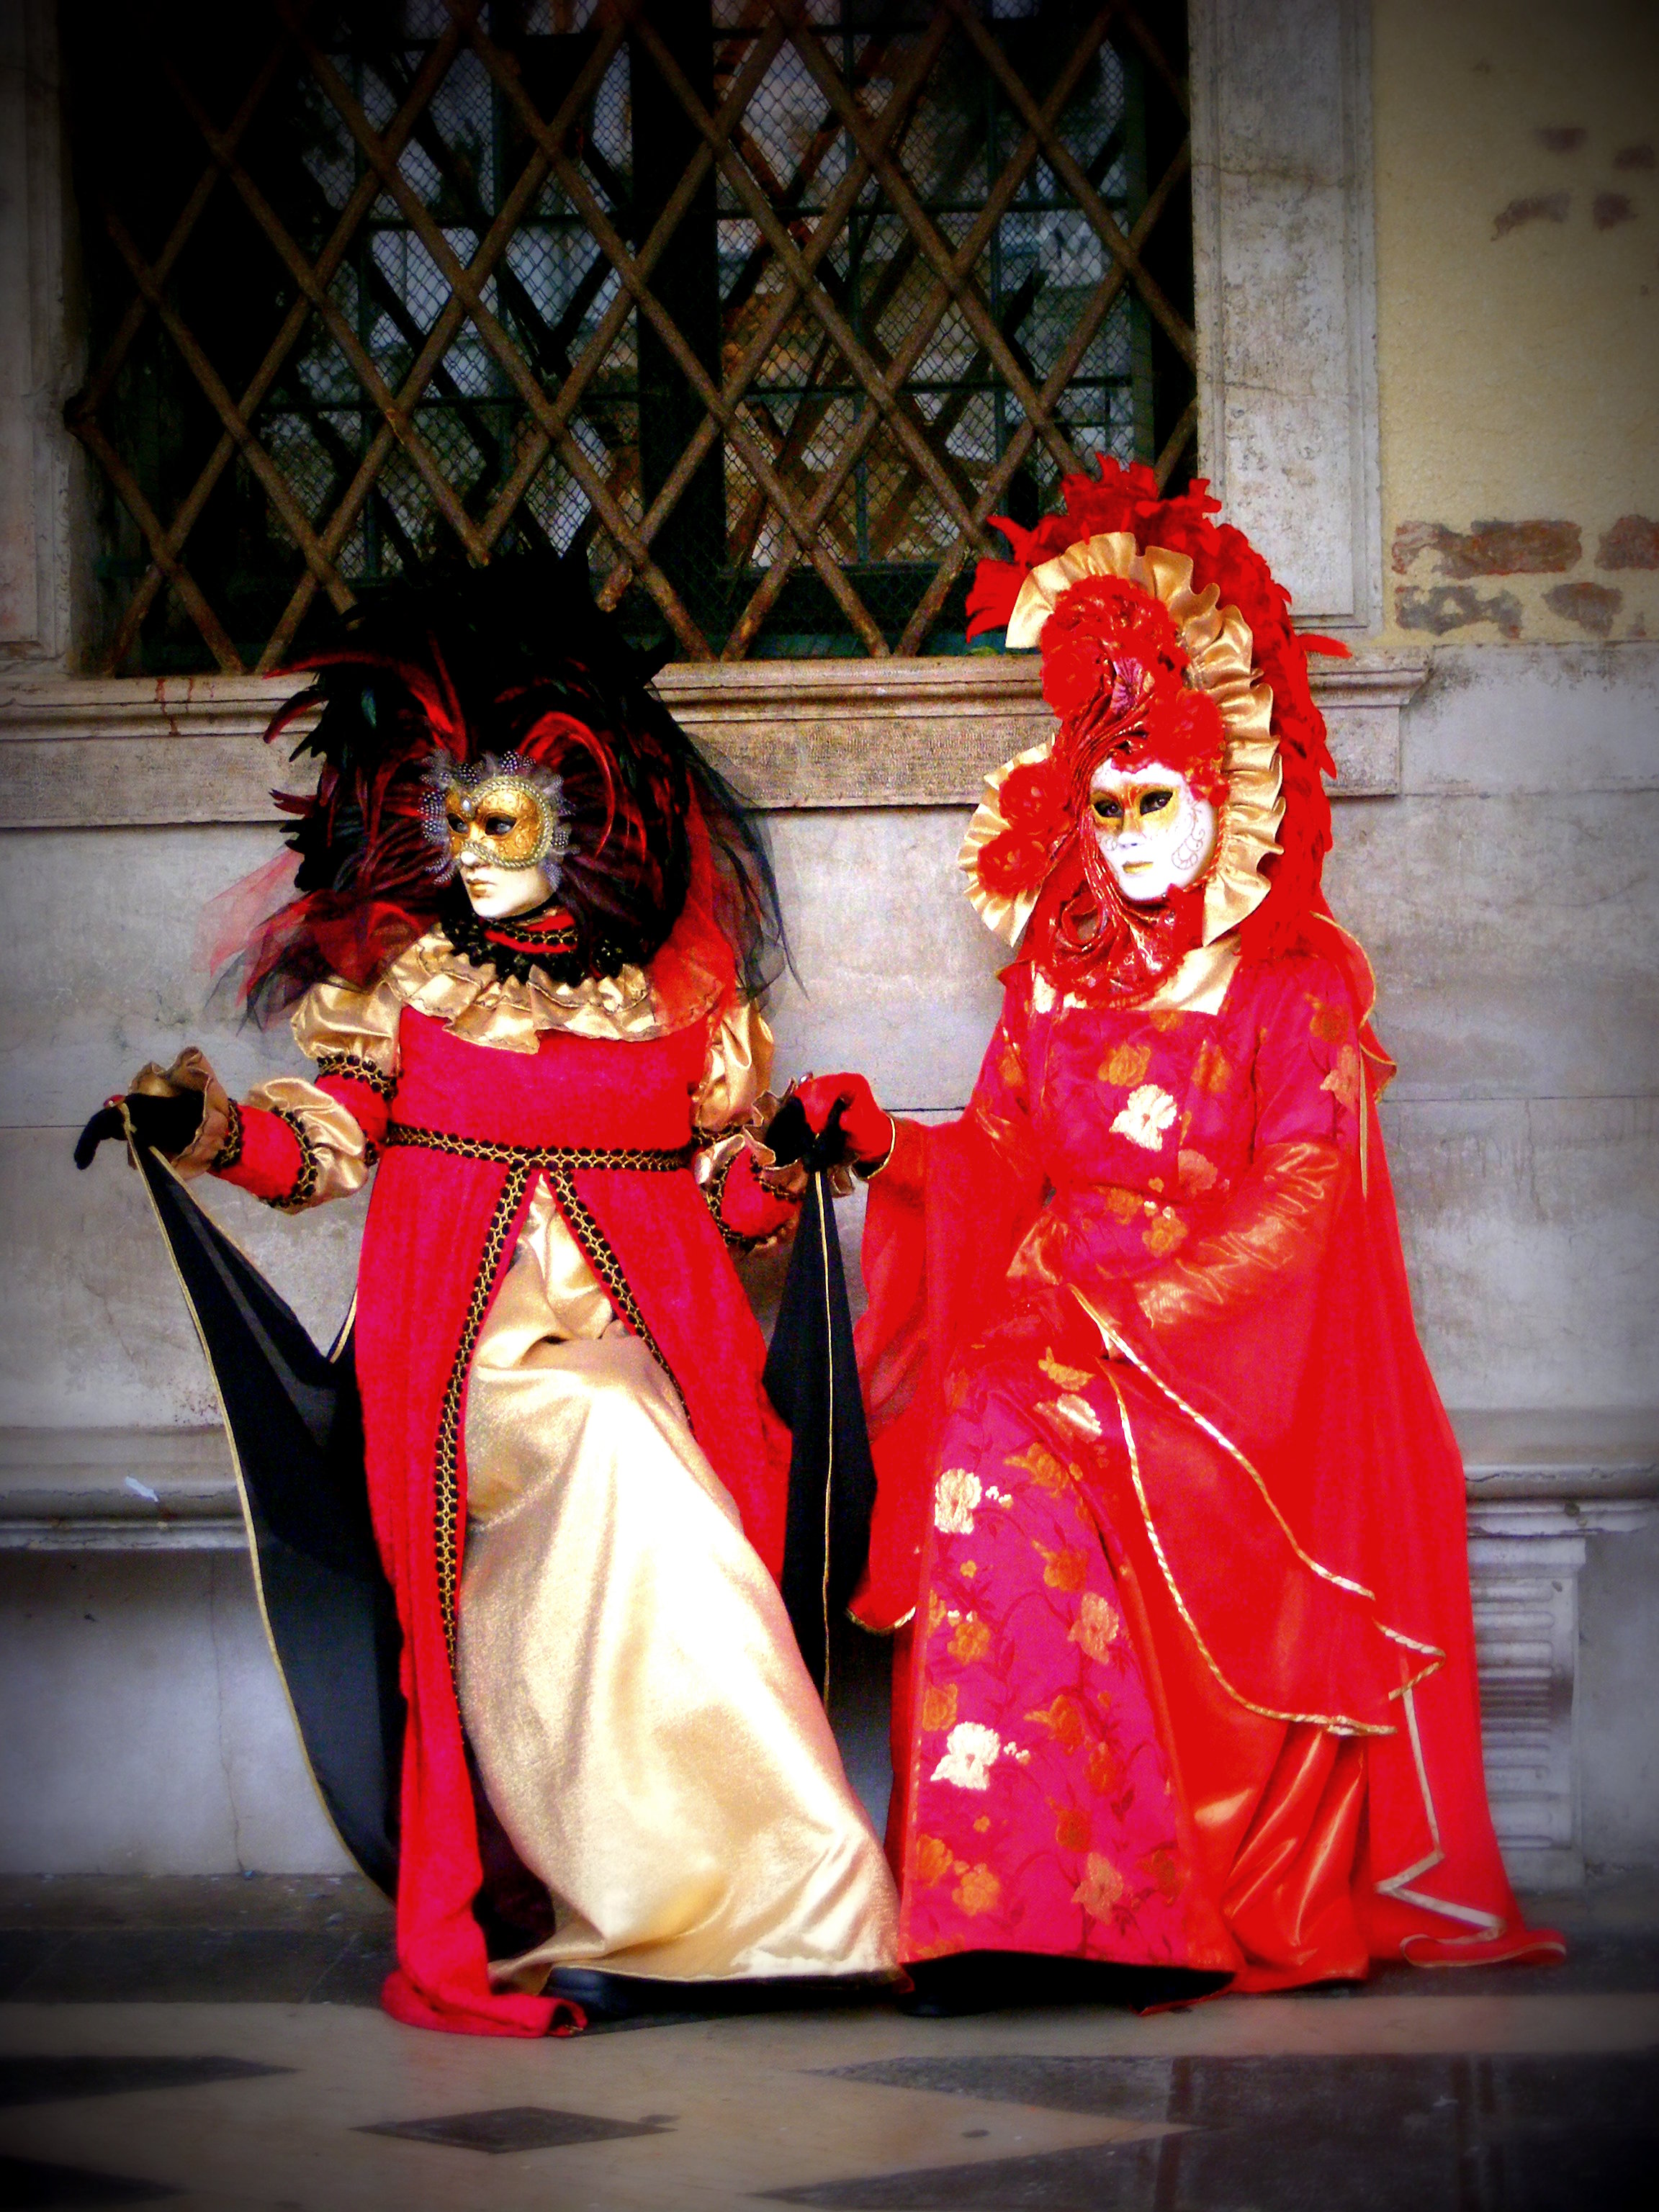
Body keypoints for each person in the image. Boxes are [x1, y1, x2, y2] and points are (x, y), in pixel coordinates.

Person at [78, 566, 898, 2037]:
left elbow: (725, 1209)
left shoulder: (670, 1011)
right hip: (475, 1391)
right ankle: (670, 1904)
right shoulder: (412, 995)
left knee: (659, 1478)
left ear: (578, 823)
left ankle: (779, 1906)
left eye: (502, 822)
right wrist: (206, 1132)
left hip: (653, 1368)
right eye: (455, 823)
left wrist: (788, 1157)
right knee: (605, 1444)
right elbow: (321, 1145)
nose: (473, 851)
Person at [794, 462, 1560, 2008]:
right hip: (1050, 1322)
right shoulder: (1053, 982)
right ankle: (1012, 1911)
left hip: (1225, 1363)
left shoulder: (1289, 984)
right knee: (977, 1440)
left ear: (1221, 799)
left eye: (1159, 801)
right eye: (1109, 806)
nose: (1133, 834)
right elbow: (1002, 1155)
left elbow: (1307, 1193)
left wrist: (1148, 1318)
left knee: (1035, 1434)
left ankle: (1126, 1906)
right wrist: (885, 1149)